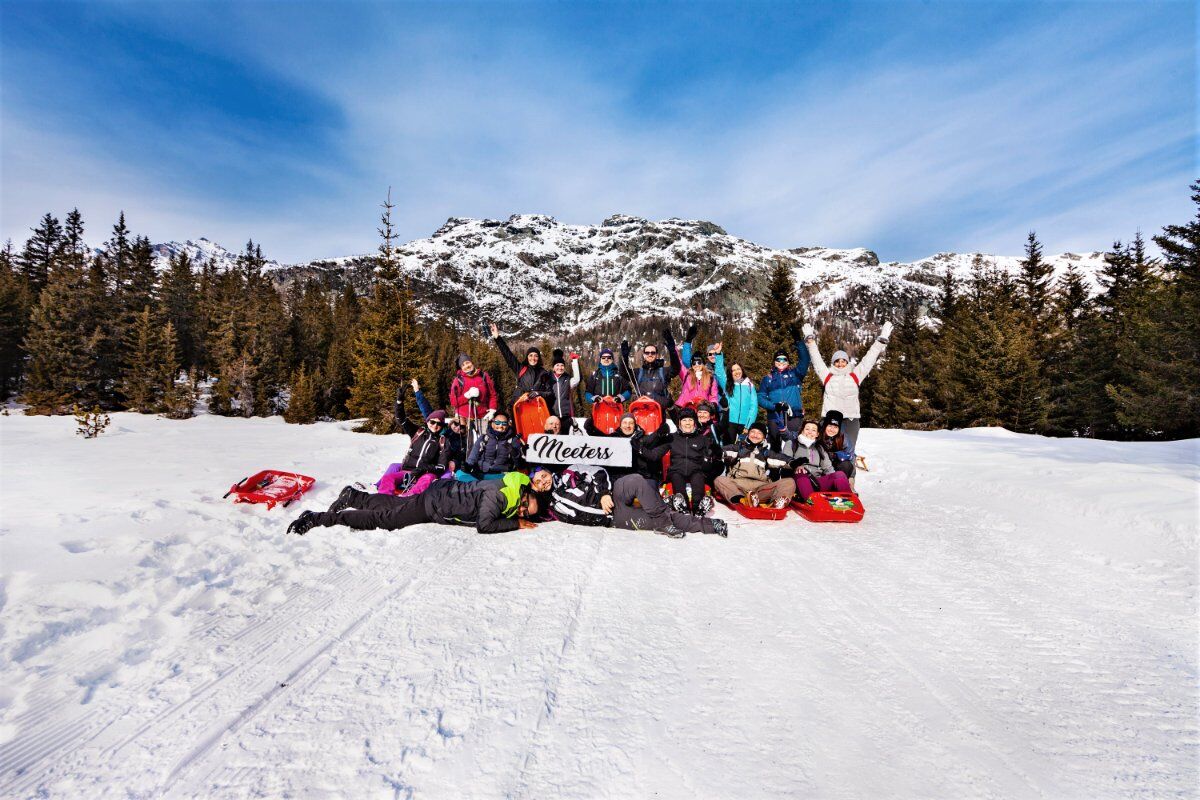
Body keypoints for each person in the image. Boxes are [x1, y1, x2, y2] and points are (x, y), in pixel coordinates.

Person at [286, 472, 541, 536]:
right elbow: (484, 525)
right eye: (525, 506)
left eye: (525, 513)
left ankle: (353, 497)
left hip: (439, 494)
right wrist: (516, 523)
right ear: (524, 495)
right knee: (386, 520)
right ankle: (317, 518)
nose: (522, 511)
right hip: (435, 504)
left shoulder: (508, 486)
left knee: (397, 503)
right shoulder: (500, 496)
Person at [802, 320, 892, 446]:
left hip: (851, 419)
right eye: (837, 361)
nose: (840, 364)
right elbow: (817, 360)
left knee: (848, 449)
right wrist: (810, 342)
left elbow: (868, 360)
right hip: (830, 419)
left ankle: (849, 466)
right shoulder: (827, 376)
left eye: (843, 361)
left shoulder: (855, 376)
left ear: (847, 362)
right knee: (826, 449)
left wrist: (880, 341)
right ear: (833, 363)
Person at [380, 382, 450, 496]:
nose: (435, 426)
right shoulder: (418, 432)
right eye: (432, 422)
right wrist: (399, 401)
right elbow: (401, 418)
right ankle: (382, 499)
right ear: (427, 421)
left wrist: (424, 469)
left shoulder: (443, 441)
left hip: (426, 474)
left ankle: (409, 500)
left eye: (439, 424)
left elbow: (441, 466)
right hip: (408, 472)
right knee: (388, 478)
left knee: (425, 481)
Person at [612, 473, 728, 538]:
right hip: (613, 515)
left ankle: (664, 508)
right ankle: (707, 524)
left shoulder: (595, 470)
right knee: (664, 518)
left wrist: (604, 493)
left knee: (639, 481)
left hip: (615, 491)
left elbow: (601, 474)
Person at [713, 422, 795, 508]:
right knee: (719, 480)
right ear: (748, 434)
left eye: (759, 433)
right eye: (753, 432)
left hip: (760, 489)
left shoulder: (766, 453)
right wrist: (717, 451)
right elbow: (724, 451)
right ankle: (742, 500)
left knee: (789, 481)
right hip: (738, 486)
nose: (755, 435)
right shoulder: (739, 448)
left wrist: (794, 462)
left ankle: (778, 502)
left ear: (764, 437)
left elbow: (781, 459)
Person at [584, 412, 671, 486]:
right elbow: (603, 440)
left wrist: (660, 433)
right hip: (618, 476)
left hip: (639, 476)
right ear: (620, 425)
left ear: (635, 425)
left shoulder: (641, 438)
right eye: (625, 423)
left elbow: (652, 441)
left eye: (631, 423)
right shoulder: (615, 437)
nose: (628, 426)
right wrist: (592, 429)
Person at [757, 338, 811, 447]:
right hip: (775, 416)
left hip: (794, 416)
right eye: (778, 359)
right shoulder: (767, 379)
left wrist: (799, 342)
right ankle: (773, 463)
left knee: (793, 444)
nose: (781, 362)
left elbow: (805, 360)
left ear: (788, 362)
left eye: (784, 359)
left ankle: (793, 463)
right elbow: (760, 398)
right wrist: (774, 406)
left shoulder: (795, 374)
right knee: (775, 445)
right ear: (774, 362)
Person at [666, 407, 720, 516]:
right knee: (678, 483)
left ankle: (698, 508)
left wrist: (714, 451)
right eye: (684, 420)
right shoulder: (672, 438)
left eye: (690, 420)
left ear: (695, 422)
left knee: (698, 481)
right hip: (677, 470)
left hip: (696, 470)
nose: (687, 423)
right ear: (679, 423)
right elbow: (656, 451)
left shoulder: (702, 439)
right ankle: (682, 507)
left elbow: (716, 453)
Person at [490, 322, 554, 410]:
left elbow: (550, 393)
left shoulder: (544, 373)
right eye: (530, 355)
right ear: (527, 357)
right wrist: (498, 338)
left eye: (536, 356)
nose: (533, 358)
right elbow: (508, 355)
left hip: (536, 409)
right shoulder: (521, 369)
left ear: (539, 358)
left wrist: (539, 393)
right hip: (519, 407)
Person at [619, 327, 682, 410]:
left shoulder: (663, 371)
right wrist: (624, 357)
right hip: (640, 412)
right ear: (644, 355)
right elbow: (624, 373)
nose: (650, 354)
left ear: (656, 355)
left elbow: (676, 369)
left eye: (653, 352)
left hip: (659, 413)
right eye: (647, 352)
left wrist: (672, 351)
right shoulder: (638, 372)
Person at [793, 419, 853, 502]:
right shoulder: (793, 444)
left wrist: (834, 480)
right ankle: (813, 502)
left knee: (839, 474)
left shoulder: (819, 447)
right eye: (807, 429)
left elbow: (828, 468)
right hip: (799, 481)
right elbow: (784, 460)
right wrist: (796, 465)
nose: (810, 432)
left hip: (816, 481)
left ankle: (848, 501)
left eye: (813, 430)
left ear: (817, 434)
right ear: (801, 431)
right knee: (801, 473)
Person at [456, 410, 524, 481]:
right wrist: (467, 466)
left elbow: (520, 465)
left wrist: (514, 452)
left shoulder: (513, 440)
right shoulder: (484, 438)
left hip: (501, 475)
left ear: (507, 425)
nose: (501, 426)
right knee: (460, 474)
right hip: (481, 473)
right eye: (498, 422)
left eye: (504, 423)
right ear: (492, 423)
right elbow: (473, 457)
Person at [447, 353, 499, 434]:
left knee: (483, 442)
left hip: (483, 417)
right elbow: (454, 402)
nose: (466, 366)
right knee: (469, 444)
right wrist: (467, 396)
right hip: (464, 419)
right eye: (463, 365)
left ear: (471, 362)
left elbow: (492, 395)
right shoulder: (458, 380)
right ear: (461, 368)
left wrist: (492, 409)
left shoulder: (483, 376)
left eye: (467, 362)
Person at [717, 358, 759, 442]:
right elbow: (719, 373)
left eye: (738, 369)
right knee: (728, 448)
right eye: (733, 370)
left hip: (745, 423)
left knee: (744, 449)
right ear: (730, 373)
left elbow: (753, 406)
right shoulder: (727, 384)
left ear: (742, 370)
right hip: (730, 422)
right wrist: (718, 355)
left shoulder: (750, 386)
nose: (736, 372)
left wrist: (748, 425)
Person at [817, 409, 857, 483]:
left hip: (835, 466)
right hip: (818, 466)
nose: (832, 430)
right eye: (830, 426)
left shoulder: (843, 439)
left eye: (835, 427)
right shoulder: (817, 435)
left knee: (846, 465)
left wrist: (851, 478)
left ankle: (840, 483)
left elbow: (851, 457)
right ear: (825, 425)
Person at [546, 349, 581, 428]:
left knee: (565, 437)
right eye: (557, 365)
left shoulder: (567, 379)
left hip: (566, 416)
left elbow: (577, 379)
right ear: (553, 367)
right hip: (552, 415)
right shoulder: (548, 379)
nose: (560, 368)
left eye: (562, 365)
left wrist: (574, 361)